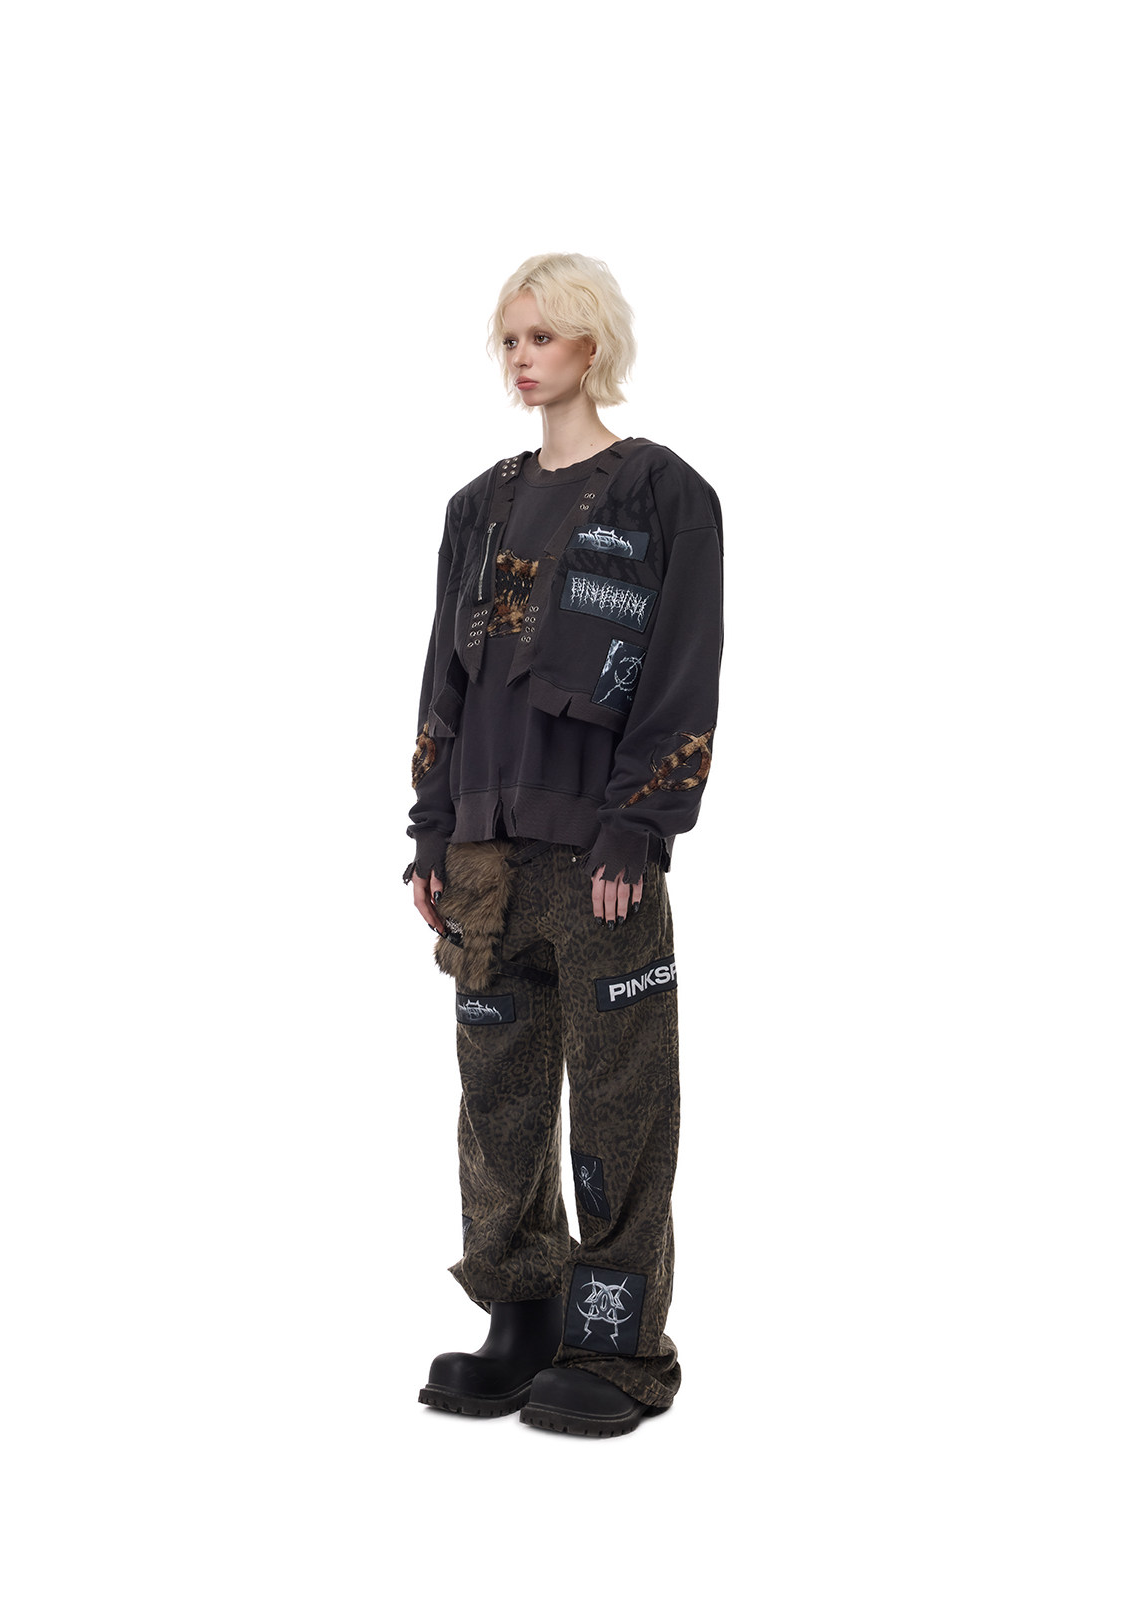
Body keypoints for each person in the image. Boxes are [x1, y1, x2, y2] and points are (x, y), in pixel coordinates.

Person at [405, 253, 723, 1438]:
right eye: (509, 339)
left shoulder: (664, 495)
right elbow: (442, 680)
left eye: (541, 336)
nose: (521, 358)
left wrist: (640, 824)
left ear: (593, 343)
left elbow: (683, 670)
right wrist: (431, 831)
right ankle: (524, 1314)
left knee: (621, 1104)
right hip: (486, 862)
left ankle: (618, 1342)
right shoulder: (475, 509)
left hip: (600, 859)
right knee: (498, 1102)